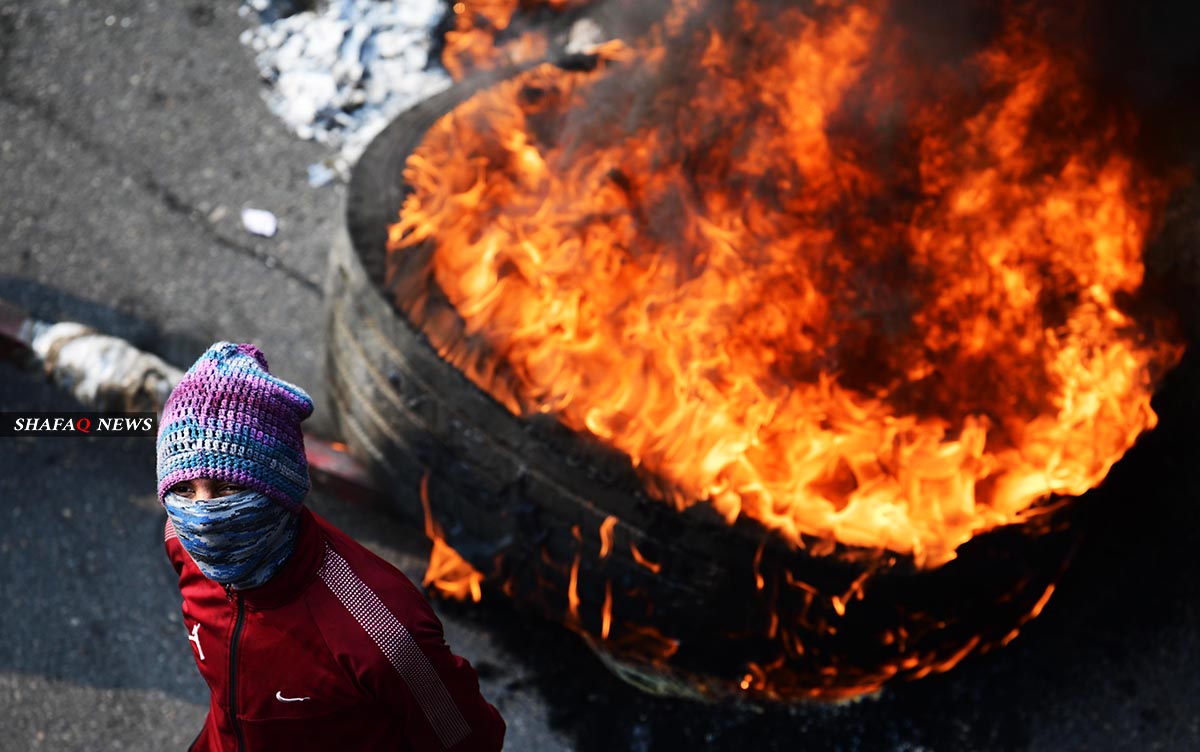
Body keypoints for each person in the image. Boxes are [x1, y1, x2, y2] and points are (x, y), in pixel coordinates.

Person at [157, 341, 505, 751]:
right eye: (183, 488)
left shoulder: (384, 630)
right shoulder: (181, 542)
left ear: (281, 486)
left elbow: (470, 741)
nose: (204, 514)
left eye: (229, 486)